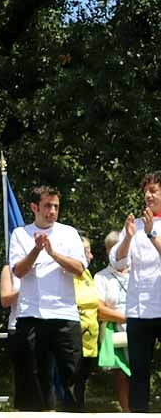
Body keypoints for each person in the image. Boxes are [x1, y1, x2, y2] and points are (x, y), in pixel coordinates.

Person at [9, 185, 85, 411]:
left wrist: (53, 253)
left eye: (56, 206)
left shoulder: (69, 233)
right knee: (34, 380)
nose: (52, 211)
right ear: (34, 207)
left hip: (65, 315)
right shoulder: (20, 234)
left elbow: (79, 268)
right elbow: (18, 271)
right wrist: (36, 250)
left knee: (72, 376)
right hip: (31, 315)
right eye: (47, 206)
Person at [110, 170, 161, 412]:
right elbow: (118, 262)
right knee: (139, 370)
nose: (148, 196)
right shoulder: (135, 225)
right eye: (146, 191)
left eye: (154, 190)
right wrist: (129, 238)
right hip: (139, 312)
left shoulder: (149, 228)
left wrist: (152, 234)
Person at [95, 230, 129, 411]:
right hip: (115, 331)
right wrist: (126, 318)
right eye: (109, 249)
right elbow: (99, 309)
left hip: (141, 329)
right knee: (122, 374)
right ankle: (128, 412)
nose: (112, 253)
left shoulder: (139, 273)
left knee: (141, 370)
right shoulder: (101, 277)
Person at [0, 263, 35, 410]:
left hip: (43, 326)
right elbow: (5, 300)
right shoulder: (8, 269)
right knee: (22, 380)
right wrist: (24, 291)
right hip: (17, 328)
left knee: (43, 378)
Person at [72, 235, 100, 409]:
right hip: (75, 336)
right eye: (87, 251)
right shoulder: (70, 275)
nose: (91, 256)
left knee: (82, 380)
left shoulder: (87, 273)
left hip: (90, 338)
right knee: (74, 380)